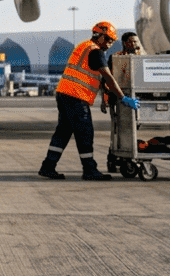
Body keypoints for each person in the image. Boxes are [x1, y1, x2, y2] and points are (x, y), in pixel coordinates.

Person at [39, 21, 140, 181]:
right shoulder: (96, 52)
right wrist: (123, 97)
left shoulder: (83, 46)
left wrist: (104, 94)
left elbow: (94, 77)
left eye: (112, 41)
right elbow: (108, 77)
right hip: (76, 97)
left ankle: (48, 166)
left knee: (63, 132)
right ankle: (89, 170)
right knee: (85, 133)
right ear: (99, 36)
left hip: (64, 93)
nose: (110, 44)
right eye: (108, 40)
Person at [102, 31, 143, 170]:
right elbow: (106, 80)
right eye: (132, 41)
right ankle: (113, 159)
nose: (135, 44)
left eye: (136, 41)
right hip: (118, 99)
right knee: (117, 130)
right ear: (125, 43)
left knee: (132, 130)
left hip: (135, 100)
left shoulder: (141, 58)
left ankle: (127, 156)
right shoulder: (115, 58)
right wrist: (104, 100)